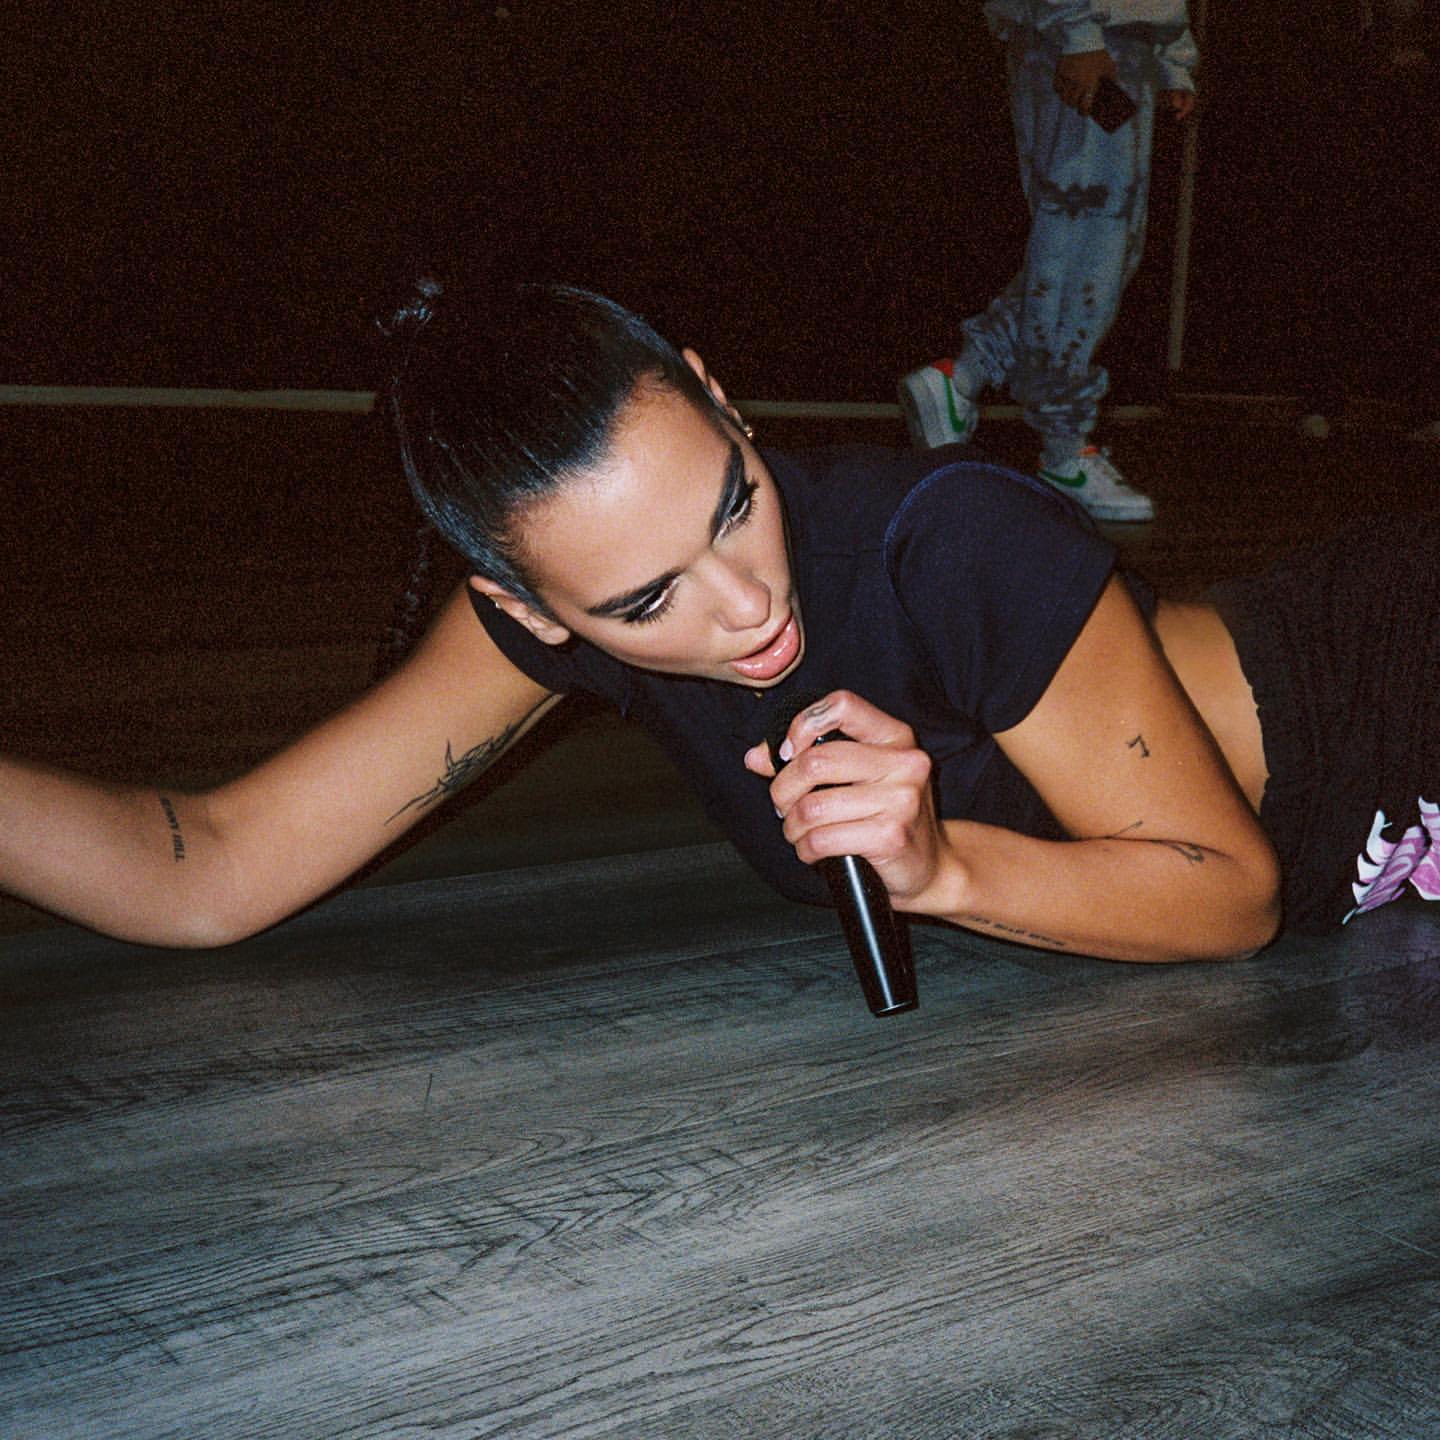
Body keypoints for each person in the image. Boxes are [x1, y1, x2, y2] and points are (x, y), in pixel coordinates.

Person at [3, 280, 1436, 963]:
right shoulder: (541, 620)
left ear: (720, 395)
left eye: (734, 502)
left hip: (1384, 692)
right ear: (524, 610)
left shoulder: (950, 539)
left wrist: (942, 871)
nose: (747, 605)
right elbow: (208, 866)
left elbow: (1226, 892)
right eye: (646, 601)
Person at [898, 1, 1198, 521]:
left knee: (1099, 247)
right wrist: (1077, 32)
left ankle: (963, 376)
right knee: (1085, 246)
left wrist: (1172, 54)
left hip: (1119, 38)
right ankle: (1063, 446)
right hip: (1088, 33)